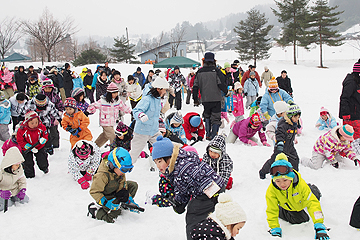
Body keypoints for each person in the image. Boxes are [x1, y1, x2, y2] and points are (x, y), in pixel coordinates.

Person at [152, 136, 225, 240]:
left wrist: (214, 195)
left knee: (194, 216)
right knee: (197, 212)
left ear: (169, 157)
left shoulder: (183, 167)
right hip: (209, 190)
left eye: (159, 161)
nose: (158, 166)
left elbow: (200, 177)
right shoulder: (177, 167)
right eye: (155, 162)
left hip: (212, 190)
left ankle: (196, 236)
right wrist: (179, 203)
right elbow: (183, 189)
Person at [266, 153, 329, 240]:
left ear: (291, 178)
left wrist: (319, 226)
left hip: (300, 197)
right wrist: (274, 228)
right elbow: (271, 209)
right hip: (288, 205)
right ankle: (282, 211)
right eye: (278, 181)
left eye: (285, 180)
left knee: (314, 196)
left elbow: (312, 203)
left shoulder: (300, 184)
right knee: (301, 219)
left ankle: (311, 188)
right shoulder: (272, 190)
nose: (282, 184)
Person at [88, 147, 139, 223]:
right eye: (124, 170)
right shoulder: (102, 175)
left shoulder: (119, 171)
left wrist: (129, 200)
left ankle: (121, 204)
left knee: (133, 186)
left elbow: (123, 185)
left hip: (114, 190)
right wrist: (106, 203)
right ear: (114, 165)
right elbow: (94, 191)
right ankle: (96, 212)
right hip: (105, 196)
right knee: (113, 218)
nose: (125, 172)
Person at [129, 72, 169, 164]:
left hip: (154, 131)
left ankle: (166, 167)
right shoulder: (147, 99)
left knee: (163, 148)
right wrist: (141, 115)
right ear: (159, 88)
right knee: (133, 155)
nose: (165, 92)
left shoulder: (158, 99)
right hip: (142, 132)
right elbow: (136, 111)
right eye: (164, 90)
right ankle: (121, 170)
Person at [259, 104, 301, 179]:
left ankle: (294, 175)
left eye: (298, 117)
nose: (297, 119)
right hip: (281, 147)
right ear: (291, 116)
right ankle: (263, 171)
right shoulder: (283, 124)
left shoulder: (293, 123)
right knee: (273, 161)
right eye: (296, 117)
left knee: (295, 159)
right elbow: (279, 134)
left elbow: (292, 134)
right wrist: (280, 144)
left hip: (290, 146)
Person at [193, 52, 228, 140]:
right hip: (216, 98)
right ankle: (214, 135)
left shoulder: (199, 72)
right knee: (216, 118)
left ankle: (208, 134)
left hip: (205, 99)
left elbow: (195, 86)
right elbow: (221, 83)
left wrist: (195, 98)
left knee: (207, 116)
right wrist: (226, 91)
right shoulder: (216, 71)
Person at [88, 83, 131, 148]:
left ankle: (94, 147)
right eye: (113, 93)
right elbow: (93, 105)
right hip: (105, 122)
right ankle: (114, 150)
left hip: (112, 122)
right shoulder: (103, 101)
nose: (115, 94)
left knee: (105, 136)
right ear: (109, 93)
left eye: (116, 93)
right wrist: (89, 110)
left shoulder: (117, 101)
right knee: (112, 136)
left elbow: (124, 107)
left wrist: (131, 112)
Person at [17, 111, 49, 178]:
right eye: (32, 123)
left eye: (36, 122)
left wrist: (44, 139)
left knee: (42, 158)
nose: (34, 124)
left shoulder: (41, 127)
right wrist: (26, 145)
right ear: (27, 122)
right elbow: (20, 140)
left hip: (39, 146)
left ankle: (44, 168)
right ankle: (29, 175)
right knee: (28, 162)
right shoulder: (22, 130)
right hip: (27, 148)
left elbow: (45, 134)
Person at [0, 147, 29, 212]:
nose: (18, 166)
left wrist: (22, 189)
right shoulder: (1, 172)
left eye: (19, 164)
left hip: (14, 190)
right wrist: (1, 192)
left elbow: (22, 180)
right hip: (3, 192)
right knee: (6, 206)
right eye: (16, 165)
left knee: (25, 200)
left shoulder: (19, 169)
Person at [339, 59, 360, 140]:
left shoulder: (357, 81)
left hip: (357, 115)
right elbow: (344, 98)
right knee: (351, 138)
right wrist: (346, 114)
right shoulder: (351, 82)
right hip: (351, 117)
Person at [41, 79, 64, 151]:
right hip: (43, 119)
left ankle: (55, 146)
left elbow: (60, 106)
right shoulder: (41, 96)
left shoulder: (55, 96)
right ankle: (46, 146)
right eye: (46, 88)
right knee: (44, 133)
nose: (48, 90)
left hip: (53, 118)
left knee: (54, 133)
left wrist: (59, 115)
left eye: (49, 88)